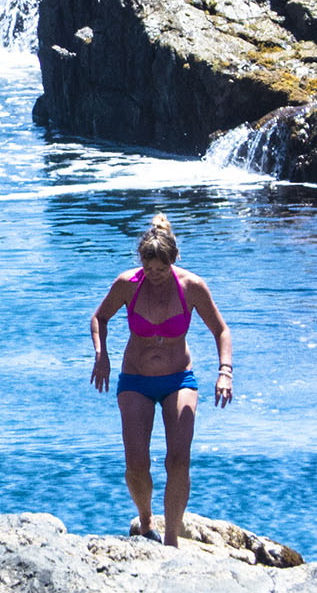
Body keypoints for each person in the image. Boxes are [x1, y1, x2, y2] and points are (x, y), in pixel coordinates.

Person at [89, 213, 233, 547]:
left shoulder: (192, 287)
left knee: (178, 459)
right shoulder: (128, 283)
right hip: (136, 380)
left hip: (179, 379)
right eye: (148, 267)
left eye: (161, 269)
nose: (153, 275)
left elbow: (221, 330)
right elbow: (99, 317)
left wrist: (225, 371)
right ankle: (144, 521)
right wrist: (102, 355)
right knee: (137, 463)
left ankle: (171, 539)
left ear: (174, 261)